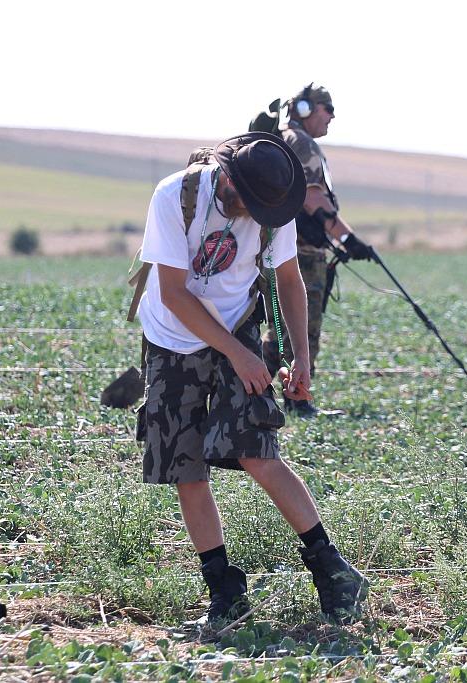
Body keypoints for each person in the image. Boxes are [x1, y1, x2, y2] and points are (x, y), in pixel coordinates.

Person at [135, 132, 367, 626]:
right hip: (172, 337)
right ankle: (225, 594)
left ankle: (333, 572)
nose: (261, 218)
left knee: (255, 451)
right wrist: (239, 354)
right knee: (186, 468)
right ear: (230, 182)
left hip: (237, 326)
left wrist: (301, 356)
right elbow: (174, 294)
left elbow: (287, 278)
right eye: (253, 206)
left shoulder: (273, 210)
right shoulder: (175, 196)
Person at [260, 84, 374, 418]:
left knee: (278, 328)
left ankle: (249, 393)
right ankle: (296, 400)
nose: (333, 116)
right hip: (300, 253)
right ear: (307, 109)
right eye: (328, 108)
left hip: (275, 249)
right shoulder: (302, 143)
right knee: (301, 329)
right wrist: (348, 239)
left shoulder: (279, 139)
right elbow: (313, 199)